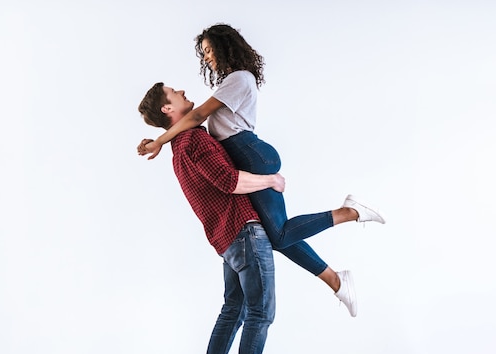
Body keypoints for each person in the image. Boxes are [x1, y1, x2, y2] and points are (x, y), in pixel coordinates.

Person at [138, 23, 385, 317]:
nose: (205, 58)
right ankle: (335, 279)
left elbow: (198, 115)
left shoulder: (239, 78)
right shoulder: (228, 83)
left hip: (250, 154)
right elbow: (193, 123)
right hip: (245, 156)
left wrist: (159, 141)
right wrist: (162, 142)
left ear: (222, 46)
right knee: (277, 235)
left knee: (279, 234)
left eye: (207, 51)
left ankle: (350, 214)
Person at [138, 82, 288, 354]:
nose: (181, 89)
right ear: (168, 108)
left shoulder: (180, 146)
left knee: (234, 309)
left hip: (227, 238)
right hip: (244, 232)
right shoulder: (193, 139)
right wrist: (270, 180)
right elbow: (229, 181)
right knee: (260, 312)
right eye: (173, 91)